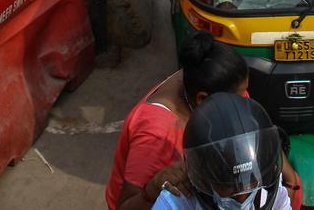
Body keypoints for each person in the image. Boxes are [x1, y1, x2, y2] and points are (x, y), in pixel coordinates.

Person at [105, 33, 252, 210]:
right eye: (238, 99)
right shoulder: (157, 136)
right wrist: (152, 189)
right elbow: (125, 207)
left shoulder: (198, 76)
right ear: (202, 99)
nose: (243, 102)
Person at [153, 93, 293, 210]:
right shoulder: (176, 202)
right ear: (205, 179)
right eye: (229, 190)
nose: (241, 200)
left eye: (251, 183)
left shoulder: (272, 194)